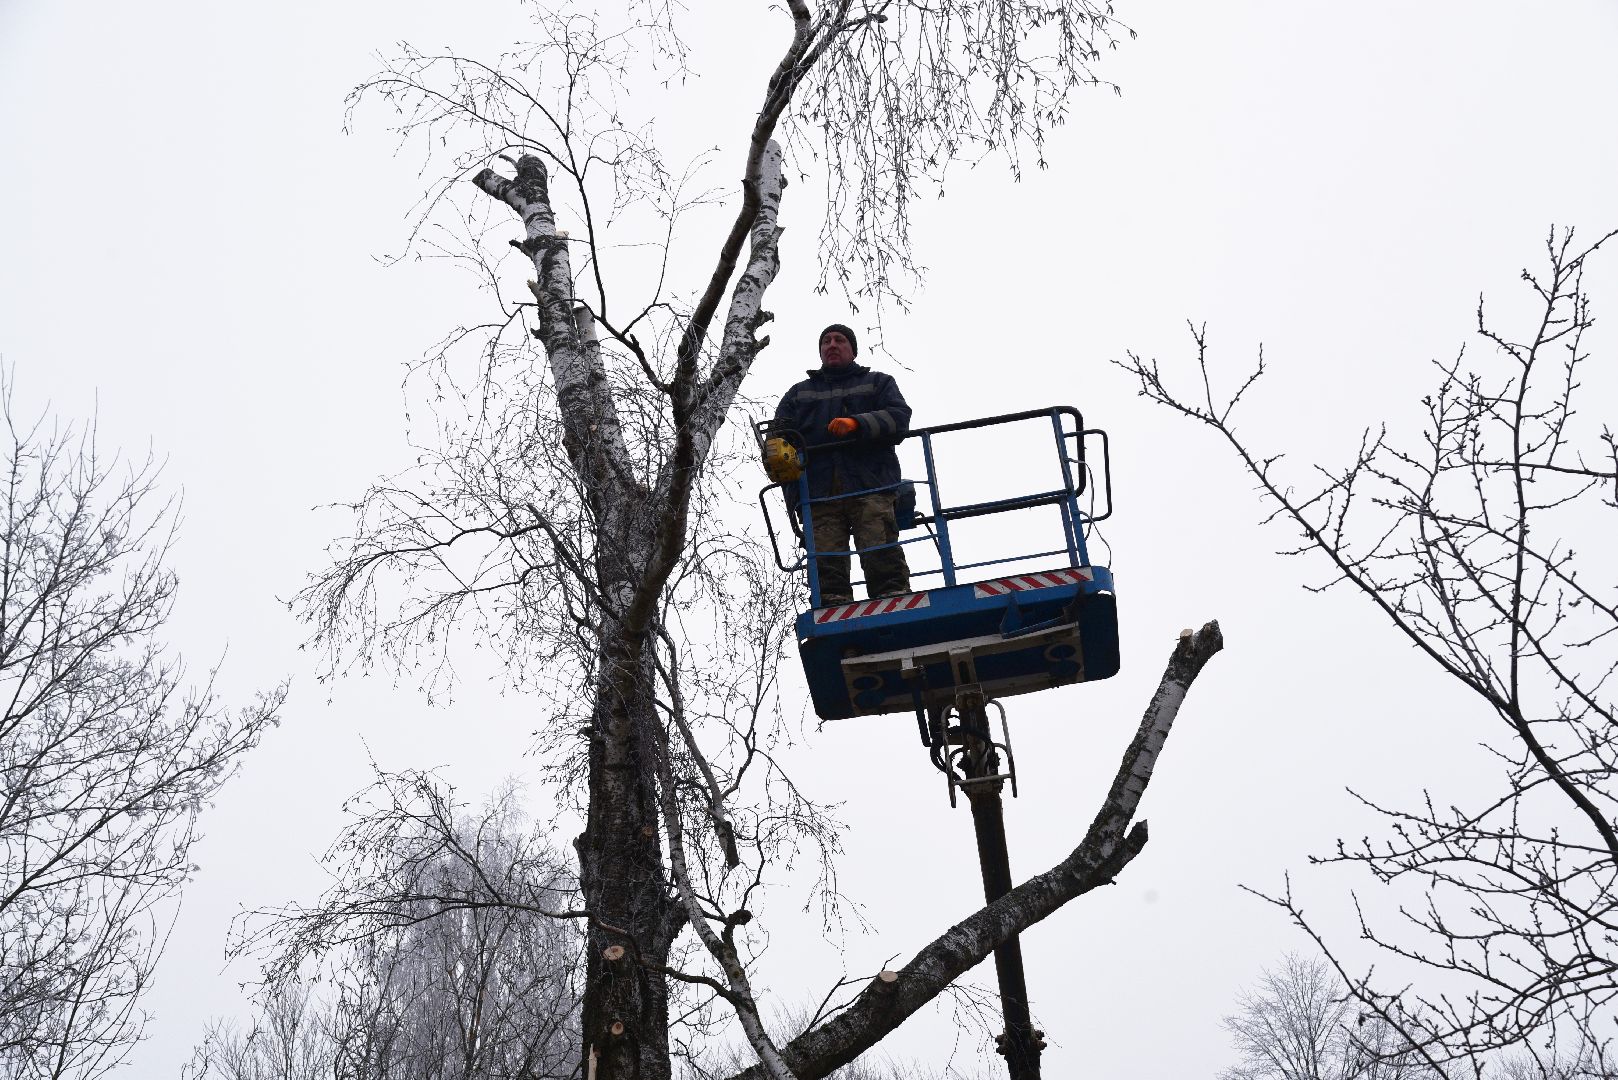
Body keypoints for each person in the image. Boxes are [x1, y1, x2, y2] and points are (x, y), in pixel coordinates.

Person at [773, 323, 912, 605]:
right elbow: (779, 434)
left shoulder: (878, 382)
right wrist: (776, 450)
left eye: (839, 340)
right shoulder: (799, 393)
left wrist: (857, 423)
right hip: (819, 491)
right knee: (826, 556)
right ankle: (832, 601)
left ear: (853, 350)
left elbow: (899, 418)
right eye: (826, 341)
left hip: (870, 482)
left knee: (879, 543)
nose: (832, 345)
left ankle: (892, 596)